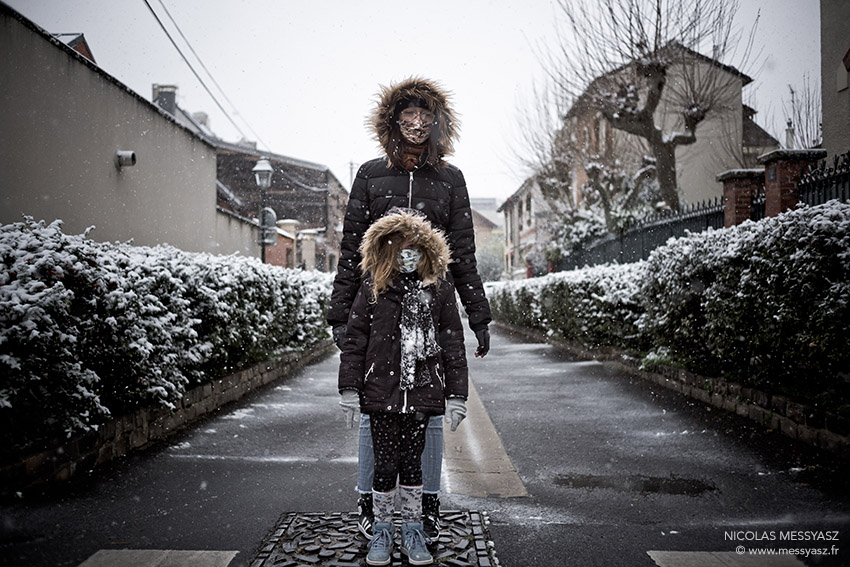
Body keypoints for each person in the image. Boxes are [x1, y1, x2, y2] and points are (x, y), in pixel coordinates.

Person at [327, 76, 492, 541]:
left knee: (429, 410)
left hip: (429, 309)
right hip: (377, 306)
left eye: (425, 117)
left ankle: (428, 503)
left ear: (437, 123)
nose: (417, 125)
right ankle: (369, 499)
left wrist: (477, 316)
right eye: (409, 116)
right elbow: (350, 248)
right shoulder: (369, 175)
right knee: (372, 406)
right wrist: (340, 311)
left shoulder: (451, 179)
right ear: (394, 121)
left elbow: (461, 253)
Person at [338, 210, 469, 566]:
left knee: (413, 465)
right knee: (384, 465)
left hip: (423, 394)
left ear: (427, 252)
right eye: (399, 247)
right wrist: (350, 388)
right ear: (386, 250)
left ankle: (412, 529)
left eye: (415, 248)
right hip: (381, 393)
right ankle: (382, 529)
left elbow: (452, 343)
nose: (407, 255)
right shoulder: (373, 288)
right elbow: (355, 340)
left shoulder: (439, 290)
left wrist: (456, 395)